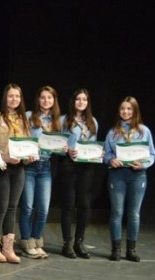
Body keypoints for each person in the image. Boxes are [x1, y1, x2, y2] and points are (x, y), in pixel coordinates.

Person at [104, 96, 155, 262]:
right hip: (117, 174)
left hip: (137, 175)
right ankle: (116, 249)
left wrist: (144, 164)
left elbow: (152, 154)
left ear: (134, 111)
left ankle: (131, 250)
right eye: (122, 109)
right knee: (117, 212)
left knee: (134, 213)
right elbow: (106, 154)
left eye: (129, 109)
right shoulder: (112, 132)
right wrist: (110, 160)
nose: (125, 112)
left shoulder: (144, 131)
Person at [0, 84, 31, 264]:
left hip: (19, 169)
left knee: (13, 207)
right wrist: (4, 157)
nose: (14, 99)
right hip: (2, 167)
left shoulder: (23, 120)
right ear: (5, 98)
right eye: (11, 96)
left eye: (17, 97)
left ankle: (8, 247)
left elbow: (28, 143)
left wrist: (29, 156)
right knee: (1, 207)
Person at [19, 86, 62, 259]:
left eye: (49, 98)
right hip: (29, 166)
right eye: (43, 98)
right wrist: (25, 155)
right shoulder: (29, 116)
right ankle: (26, 242)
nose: (46, 101)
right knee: (27, 207)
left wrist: (63, 148)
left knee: (43, 208)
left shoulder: (57, 120)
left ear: (54, 100)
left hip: (45, 167)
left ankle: (36, 240)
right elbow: (21, 140)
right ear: (38, 99)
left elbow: (59, 147)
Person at [59, 89, 99, 259]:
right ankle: (67, 243)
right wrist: (66, 150)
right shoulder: (63, 120)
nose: (81, 102)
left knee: (84, 203)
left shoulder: (93, 122)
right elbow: (58, 144)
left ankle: (79, 242)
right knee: (68, 203)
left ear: (88, 102)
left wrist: (97, 153)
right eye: (78, 99)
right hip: (69, 164)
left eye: (84, 99)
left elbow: (94, 144)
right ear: (73, 101)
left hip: (87, 166)